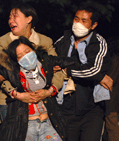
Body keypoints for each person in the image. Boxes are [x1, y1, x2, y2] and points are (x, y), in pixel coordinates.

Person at [0, 36, 77, 141]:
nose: (26, 56)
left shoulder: (46, 62)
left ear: (33, 50)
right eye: (20, 56)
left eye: (27, 51)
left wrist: (59, 75)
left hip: (48, 122)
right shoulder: (11, 69)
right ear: (16, 59)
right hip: (25, 125)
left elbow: (72, 62)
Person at [0, 3, 66, 121]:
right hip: (10, 101)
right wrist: (18, 94)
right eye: (9, 17)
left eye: (15, 16)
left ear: (29, 18)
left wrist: (49, 91)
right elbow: (0, 74)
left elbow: (58, 70)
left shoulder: (45, 41)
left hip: (43, 99)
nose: (10, 21)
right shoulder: (3, 42)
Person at [54, 3, 113, 141]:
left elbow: (94, 70)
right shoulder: (63, 41)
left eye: (84, 20)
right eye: (76, 19)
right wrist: (98, 76)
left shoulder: (98, 43)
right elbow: (52, 63)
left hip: (91, 110)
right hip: (65, 109)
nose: (78, 23)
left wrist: (67, 70)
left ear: (93, 25)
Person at [105, 37, 119, 141]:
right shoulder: (114, 60)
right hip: (111, 99)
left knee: (112, 126)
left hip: (111, 100)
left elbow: (110, 80)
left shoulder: (114, 61)